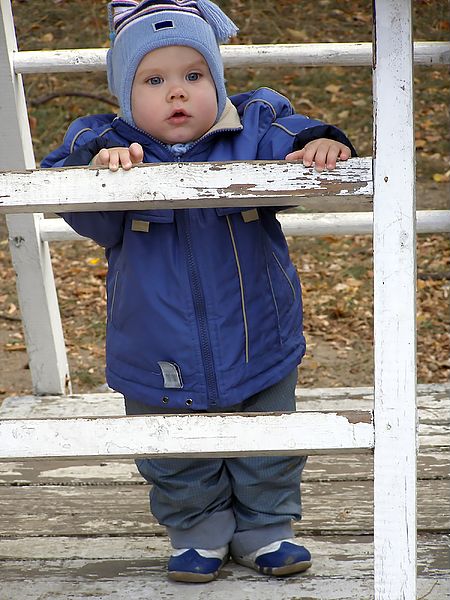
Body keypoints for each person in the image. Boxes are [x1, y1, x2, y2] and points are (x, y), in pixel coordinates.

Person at [42, 0, 357, 584]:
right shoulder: (105, 144)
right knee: (172, 446)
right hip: (154, 339)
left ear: (218, 81)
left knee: (268, 434)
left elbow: (288, 133)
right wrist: (100, 172)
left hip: (255, 329)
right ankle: (197, 528)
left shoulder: (251, 127)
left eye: (194, 76)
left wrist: (319, 144)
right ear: (124, 93)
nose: (177, 93)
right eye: (154, 80)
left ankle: (266, 526)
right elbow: (81, 204)